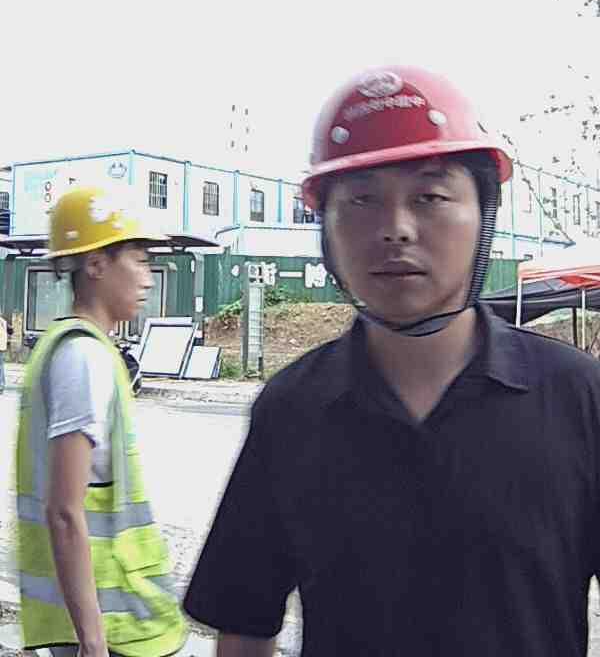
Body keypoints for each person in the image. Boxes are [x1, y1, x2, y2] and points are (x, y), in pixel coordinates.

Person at [184, 65, 600, 657]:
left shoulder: (577, 397)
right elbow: (244, 626)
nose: (396, 229)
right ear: (326, 228)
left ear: (484, 213)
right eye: (361, 200)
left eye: (430, 197)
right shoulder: (291, 409)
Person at [16, 186, 188, 657]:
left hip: (105, 619)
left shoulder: (70, 346)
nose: (148, 279)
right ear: (95, 265)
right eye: (139, 261)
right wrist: (93, 644)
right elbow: (64, 510)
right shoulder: (84, 356)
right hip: (109, 629)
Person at [0, 312, 13, 393]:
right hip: (2, 347)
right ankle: (1, 385)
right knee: (1, 366)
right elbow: (11, 331)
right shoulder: (4, 321)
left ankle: (1, 385)